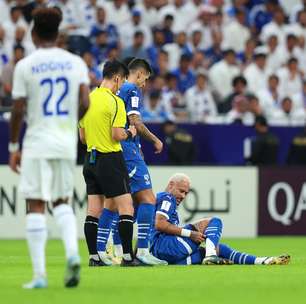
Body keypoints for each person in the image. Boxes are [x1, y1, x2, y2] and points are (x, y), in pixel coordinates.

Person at [9, 8, 90, 289]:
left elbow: (18, 110)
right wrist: (71, 123)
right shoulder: (75, 63)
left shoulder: (26, 65)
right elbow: (86, 102)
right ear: (58, 33)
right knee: (62, 202)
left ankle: (40, 275)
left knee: (35, 202)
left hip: (37, 142)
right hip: (65, 144)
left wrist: (12, 146)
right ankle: (72, 253)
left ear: (33, 34)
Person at [79, 60, 143, 267]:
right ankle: (126, 257)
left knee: (93, 211)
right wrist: (130, 132)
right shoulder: (115, 102)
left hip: (90, 159)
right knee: (126, 207)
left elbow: (83, 138)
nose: (122, 85)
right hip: (110, 159)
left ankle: (93, 257)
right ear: (117, 78)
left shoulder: (86, 99)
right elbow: (116, 134)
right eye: (122, 80)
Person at [150, 173, 290, 266]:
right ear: (171, 185)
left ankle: (264, 261)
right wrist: (190, 234)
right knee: (213, 221)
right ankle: (210, 256)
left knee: (219, 249)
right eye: (181, 191)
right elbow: (160, 223)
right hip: (166, 247)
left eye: (186, 193)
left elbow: (150, 230)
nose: (184, 196)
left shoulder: (157, 200)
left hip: (164, 255)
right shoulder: (167, 198)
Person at [116, 58, 167, 265]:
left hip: (118, 148)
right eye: (144, 79)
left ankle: (117, 248)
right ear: (138, 74)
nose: (144, 84)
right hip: (128, 149)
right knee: (148, 199)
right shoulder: (132, 89)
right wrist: (155, 139)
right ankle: (143, 251)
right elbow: (135, 121)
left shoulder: (118, 90)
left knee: (126, 203)